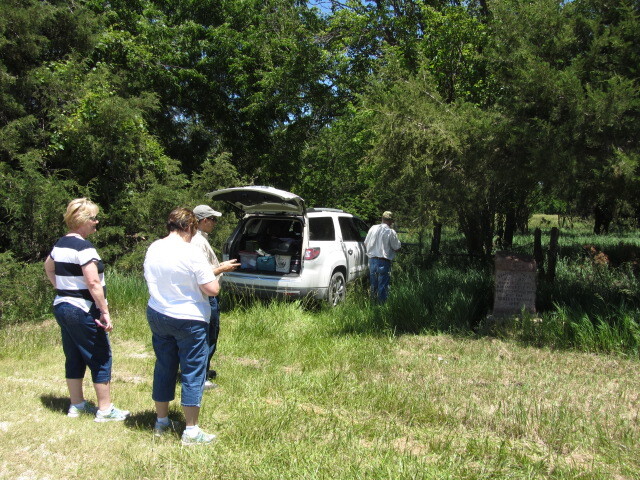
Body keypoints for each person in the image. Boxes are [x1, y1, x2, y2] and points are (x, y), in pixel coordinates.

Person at [44, 198, 130, 422]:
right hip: (82, 309)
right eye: (93, 218)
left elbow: (48, 266)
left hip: (62, 307)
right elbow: (93, 283)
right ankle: (105, 410)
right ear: (82, 220)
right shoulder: (84, 247)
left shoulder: (61, 243)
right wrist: (105, 311)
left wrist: (61, 287)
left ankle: (77, 405)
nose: (97, 221)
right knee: (100, 355)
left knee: (73, 355)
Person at [144, 207, 220, 445]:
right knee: (193, 370)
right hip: (188, 318)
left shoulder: (154, 247)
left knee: (164, 366)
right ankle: (191, 431)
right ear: (188, 227)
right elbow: (211, 289)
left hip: (158, 313)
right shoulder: (191, 252)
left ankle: (161, 421)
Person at [191, 205, 240, 390]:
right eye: (213, 219)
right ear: (204, 221)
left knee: (208, 334)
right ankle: (201, 378)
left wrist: (220, 264)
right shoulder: (198, 241)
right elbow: (202, 274)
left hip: (206, 293)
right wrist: (222, 268)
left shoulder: (199, 239)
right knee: (208, 335)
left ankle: (201, 371)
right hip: (207, 295)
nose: (215, 223)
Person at [364, 211, 401, 303]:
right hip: (383, 261)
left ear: (382, 219)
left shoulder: (373, 228)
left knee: (373, 285)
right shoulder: (390, 232)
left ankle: (372, 303)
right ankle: (381, 306)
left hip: (372, 260)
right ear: (391, 221)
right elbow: (396, 248)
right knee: (383, 286)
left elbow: (365, 243)